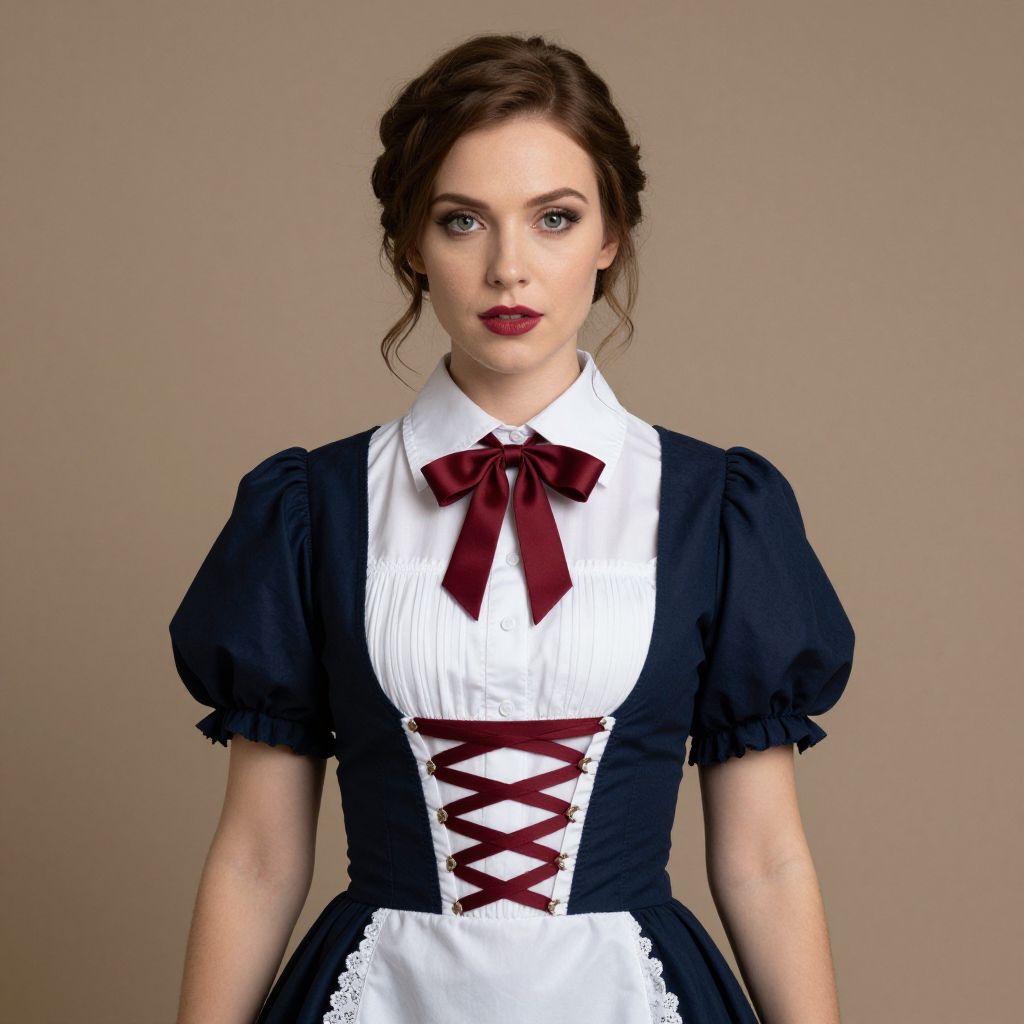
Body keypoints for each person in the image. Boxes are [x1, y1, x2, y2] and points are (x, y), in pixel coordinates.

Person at [168, 33, 856, 1024]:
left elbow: (762, 858)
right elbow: (259, 855)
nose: (508, 268)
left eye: (554, 219)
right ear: (411, 241)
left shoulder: (718, 510)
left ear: (609, 234)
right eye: (462, 221)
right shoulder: (310, 511)